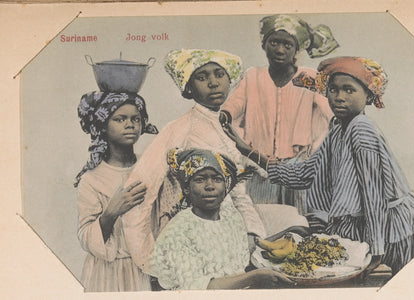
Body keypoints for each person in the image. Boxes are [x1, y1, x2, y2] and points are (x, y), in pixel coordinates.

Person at [223, 56, 414, 275]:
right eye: (333, 90)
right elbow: (304, 174)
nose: (339, 97)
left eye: (349, 90)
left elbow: (373, 195)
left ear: (368, 95)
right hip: (366, 231)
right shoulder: (338, 130)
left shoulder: (361, 129)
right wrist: (248, 151)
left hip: (386, 233)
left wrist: (376, 251)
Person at [121, 49, 267, 277]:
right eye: (202, 77)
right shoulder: (180, 128)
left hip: (229, 233)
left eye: (219, 74)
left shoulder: (230, 129)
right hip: (191, 236)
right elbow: (141, 188)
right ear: (188, 87)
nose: (213, 83)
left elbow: (238, 192)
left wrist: (252, 232)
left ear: (230, 81)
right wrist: (148, 258)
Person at [220, 14, 338, 213]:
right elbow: (234, 105)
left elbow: (331, 111)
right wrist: (225, 116)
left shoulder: (309, 77)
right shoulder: (253, 76)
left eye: (287, 44)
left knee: (299, 219)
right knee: (263, 219)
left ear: (296, 50)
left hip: (298, 165)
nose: (280, 49)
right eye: (274, 42)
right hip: (258, 164)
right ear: (264, 45)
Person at [149, 148, 294, 290]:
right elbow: (200, 289)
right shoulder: (178, 231)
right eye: (200, 179)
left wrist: (291, 230)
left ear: (226, 186)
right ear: (187, 188)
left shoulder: (231, 217)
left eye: (217, 179)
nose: (210, 186)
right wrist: (256, 277)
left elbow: (242, 259)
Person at [75, 92, 158, 292]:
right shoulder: (92, 179)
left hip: (146, 271)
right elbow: (86, 236)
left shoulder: (151, 168)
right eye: (120, 119)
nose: (130, 125)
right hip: (106, 273)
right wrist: (112, 212)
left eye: (135, 119)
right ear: (103, 125)